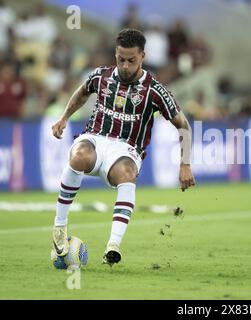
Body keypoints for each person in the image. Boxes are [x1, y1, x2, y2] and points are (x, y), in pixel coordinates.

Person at [51, 29, 196, 266]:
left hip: (126, 149)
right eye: (121, 59)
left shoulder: (155, 90)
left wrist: (185, 163)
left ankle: (113, 246)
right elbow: (82, 93)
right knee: (78, 156)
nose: (125, 66)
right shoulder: (101, 76)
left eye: (131, 60)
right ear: (115, 55)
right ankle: (59, 227)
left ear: (142, 57)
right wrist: (63, 118)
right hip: (96, 137)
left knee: (127, 175)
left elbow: (183, 125)